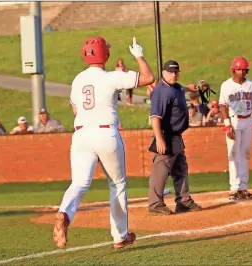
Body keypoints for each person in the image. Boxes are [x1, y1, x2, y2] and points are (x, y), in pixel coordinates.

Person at [53, 36, 155, 250]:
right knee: (117, 184)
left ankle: (64, 212)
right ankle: (120, 236)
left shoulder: (78, 79)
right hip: (106, 133)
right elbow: (148, 78)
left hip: (81, 134)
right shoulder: (112, 77)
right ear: (105, 55)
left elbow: (75, 109)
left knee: (79, 183)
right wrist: (139, 55)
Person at [148, 59, 202, 215]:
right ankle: (155, 204)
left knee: (180, 168)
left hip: (176, 135)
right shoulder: (161, 91)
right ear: (164, 73)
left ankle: (183, 201)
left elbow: (181, 89)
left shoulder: (176, 87)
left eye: (176, 72)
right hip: (166, 134)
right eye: (171, 72)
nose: (174, 74)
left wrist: (192, 88)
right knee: (161, 168)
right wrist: (159, 139)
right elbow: (155, 117)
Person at [218, 56, 252, 200]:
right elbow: (223, 105)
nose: (241, 72)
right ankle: (234, 188)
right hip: (234, 121)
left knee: (245, 154)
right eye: (238, 69)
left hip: (248, 120)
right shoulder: (226, 85)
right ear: (233, 70)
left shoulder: (251, 84)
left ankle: (243, 187)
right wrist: (227, 125)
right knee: (233, 155)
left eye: (243, 69)